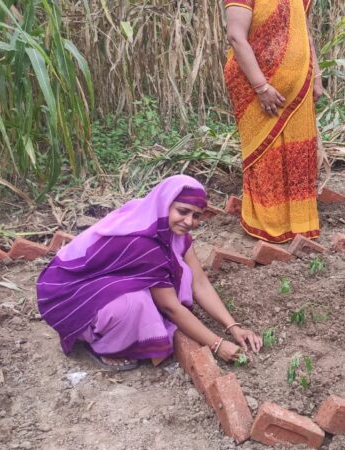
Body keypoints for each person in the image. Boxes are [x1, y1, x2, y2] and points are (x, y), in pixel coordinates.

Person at [37, 175, 262, 370]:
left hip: (98, 282)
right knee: (135, 304)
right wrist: (218, 345)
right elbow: (170, 307)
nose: (189, 221)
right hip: (67, 295)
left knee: (170, 281)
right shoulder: (145, 243)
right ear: (165, 204)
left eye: (196, 216)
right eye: (183, 211)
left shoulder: (166, 226)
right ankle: (100, 344)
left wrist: (233, 327)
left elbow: (199, 282)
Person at [223, 0, 324, 243]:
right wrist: (261, 86)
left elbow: (303, 32)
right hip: (257, 87)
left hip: (298, 84)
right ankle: (268, 224)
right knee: (266, 154)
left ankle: (299, 223)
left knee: (297, 153)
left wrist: (316, 75)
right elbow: (236, 37)